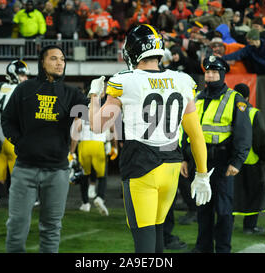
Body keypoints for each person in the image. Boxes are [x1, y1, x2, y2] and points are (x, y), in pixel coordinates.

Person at [88, 24, 210, 253]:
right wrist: (202, 173)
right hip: (171, 167)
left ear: (133, 51)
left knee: (144, 245)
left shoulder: (125, 81)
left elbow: (96, 125)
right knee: (157, 236)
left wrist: (95, 95)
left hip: (141, 166)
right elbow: (196, 134)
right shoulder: (181, 80)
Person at [1, 45, 89, 253]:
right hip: (25, 169)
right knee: (16, 225)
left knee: (51, 228)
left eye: (63, 59)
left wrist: (96, 95)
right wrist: (20, 142)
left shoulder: (71, 93)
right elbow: (7, 119)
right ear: (42, 62)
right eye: (54, 58)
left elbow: (93, 117)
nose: (60, 63)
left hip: (57, 171)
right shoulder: (24, 89)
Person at [190, 55, 252, 253]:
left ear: (223, 74)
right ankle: (203, 248)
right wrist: (184, 158)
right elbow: (187, 131)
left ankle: (223, 249)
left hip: (224, 161)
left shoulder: (235, 99)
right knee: (203, 207)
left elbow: (243, 133)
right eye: (207, 72)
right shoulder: (197, 98)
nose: (210, 75)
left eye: (214, 72)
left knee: (224, 210)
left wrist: (237, 162)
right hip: (200, 161)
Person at [0, 60, 29, 231]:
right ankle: (16, 218)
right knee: (18, 181)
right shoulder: (21, 90)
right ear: (15, 74)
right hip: (12, 138)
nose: (25, 78)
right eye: (22, 74)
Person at [232, 83, 265, 235]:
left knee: (231, 195)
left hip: (232, 162)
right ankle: (250, 226)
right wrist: (263, 157)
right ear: (247, 97)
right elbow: (260, 139)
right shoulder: (253, 113)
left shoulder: (228, 112)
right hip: (251, 160)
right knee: (254, 194)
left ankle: (228, 224)